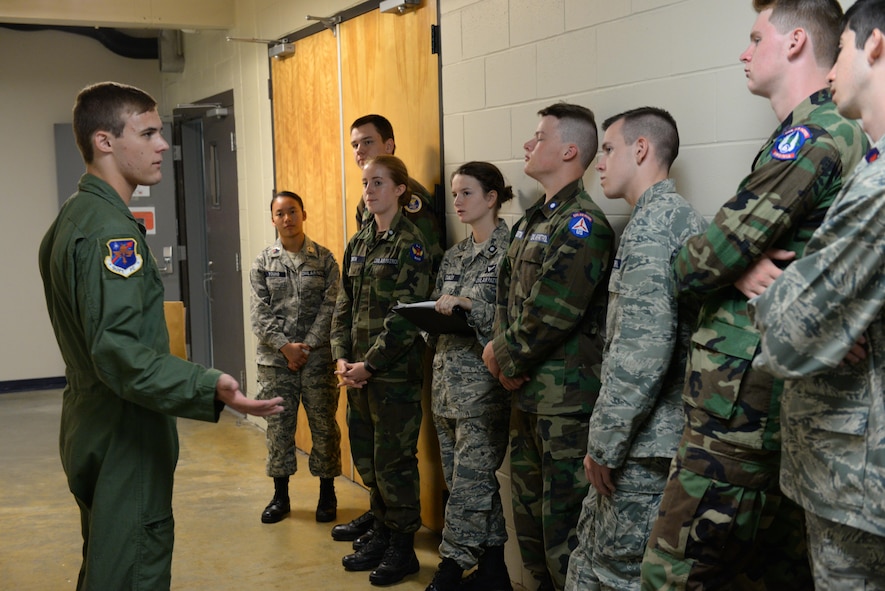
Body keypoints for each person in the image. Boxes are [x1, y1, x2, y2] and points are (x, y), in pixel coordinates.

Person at [640, 2, 869, 589]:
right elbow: (731, 254)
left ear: (795, 42)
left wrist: (722, 265)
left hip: (742, 411)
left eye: (754, 37)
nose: (744, 52)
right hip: (768, 402)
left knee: (672, 576)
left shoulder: (813, 135)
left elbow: (697, 263)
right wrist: (735, 266)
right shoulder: (824, 132)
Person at [37, 81, 284, 591]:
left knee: (108, 559)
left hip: (89, 421)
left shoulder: (73, 216)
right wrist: (208, 383)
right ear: (105, 141)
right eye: (147, 133)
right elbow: (119, 351)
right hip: (125, 427)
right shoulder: (112, 232)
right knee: (131, 566)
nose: (163, 145)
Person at [751, 1, 885, 587]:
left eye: (845, 53)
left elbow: (787, 334)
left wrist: (774, 291)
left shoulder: (879, 184)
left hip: (859, 480)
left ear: (875, 46)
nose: (830, 74)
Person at [564, 108, 707, 591]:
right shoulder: (669, 217)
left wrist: (603, 444)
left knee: (612, 574)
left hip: (644, 447)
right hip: (653, 440)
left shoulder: (652, 229)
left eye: (607, 149)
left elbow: (642, 353)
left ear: (641, 149)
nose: (597, 162)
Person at [482, 102, 615, 591]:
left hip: (564, 406)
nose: (527, 144)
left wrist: (505, 356)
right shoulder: (532, 220)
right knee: (531, 528)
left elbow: (555, 307)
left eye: (538, 137)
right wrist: (500, 356)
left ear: (569, 150)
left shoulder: (584, 224)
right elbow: (506, 294)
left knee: (565, 535)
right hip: (525, 398)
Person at [331, 114, 444, 546]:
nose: (369, 190)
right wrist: (342, 357)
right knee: (367, 453)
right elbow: (344, 303)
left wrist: (370, 365)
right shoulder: (359, 241)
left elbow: (408, 310)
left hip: (390, 367)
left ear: (398, 188)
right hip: (358, 367)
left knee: (394, 457)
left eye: (378, 183)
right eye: (365, 184)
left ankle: (400, 541)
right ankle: (380, 521)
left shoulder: (410, 236)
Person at [424, 162, 514, 591]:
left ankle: (449, 568)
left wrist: (467, 305)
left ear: (492, 197)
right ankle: (494, 570)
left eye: (467, 193)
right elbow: (438, 311)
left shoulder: (511, 250)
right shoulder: (454, 256)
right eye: (455, 194)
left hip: (483, 389)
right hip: (445, 386)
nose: (457, 202)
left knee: (467, 488)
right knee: (465, 482)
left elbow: (514, 318)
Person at [249, 190, 341, 524]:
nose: (287, 219)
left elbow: (332, 306)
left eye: (292, 212)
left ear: (304, 214)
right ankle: (280, 496)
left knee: (324, 428)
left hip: (316, 361)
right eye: (280, 214)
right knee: (278, 429)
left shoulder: (325, 260)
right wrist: (286, 347)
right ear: (272, 219)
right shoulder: (263, 262)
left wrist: (307, 346)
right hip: (276, 363)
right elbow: (259, 313)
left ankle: (327, 493)